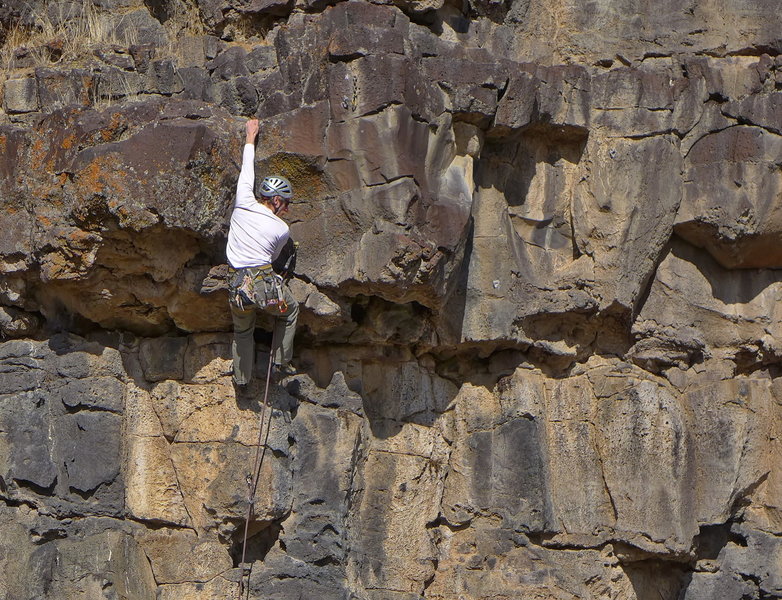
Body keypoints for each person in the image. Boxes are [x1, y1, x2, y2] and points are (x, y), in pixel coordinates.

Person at [226, 118, 299, 387]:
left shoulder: (243, 201)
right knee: (289, 311)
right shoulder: (281, 228)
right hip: (263, 285)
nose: (287, 209)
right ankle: (280, 362)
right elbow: (272, 258)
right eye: (287, 203)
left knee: (243, 329)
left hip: (237, 286)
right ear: (277, 200)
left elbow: (247, 171)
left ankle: (242, 380)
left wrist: (250, 136)